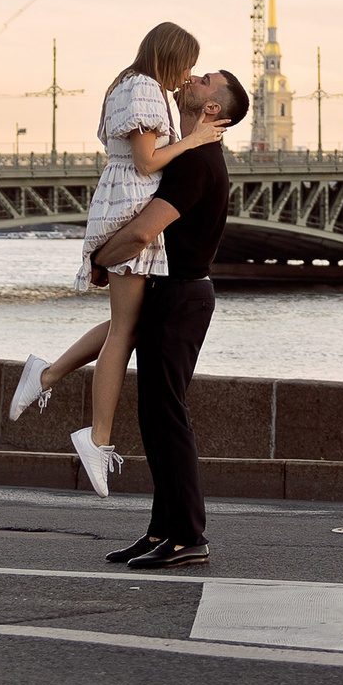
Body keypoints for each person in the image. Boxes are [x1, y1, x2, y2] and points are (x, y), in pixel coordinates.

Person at [7, 24, 225, 496]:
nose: (189, 75)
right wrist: (194, 140)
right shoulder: (145, 88)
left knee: (128, 320)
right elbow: (147, 163)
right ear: (170, 57)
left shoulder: (137, 85)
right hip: (129, 202)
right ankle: (96, 436)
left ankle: (46, 374)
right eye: (188, 64)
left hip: (124, 198)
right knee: (126, 328)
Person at [86, 67, 247, 570]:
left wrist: (97, 256)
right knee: (156, 419)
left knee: (168, 418)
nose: (191, 77)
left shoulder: (195, 161)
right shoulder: (187, 152)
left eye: (203, 80)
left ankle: (188, 536)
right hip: (174, 295)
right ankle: (162, 529)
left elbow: (141, 235)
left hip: (180, 298)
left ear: (212, 109)